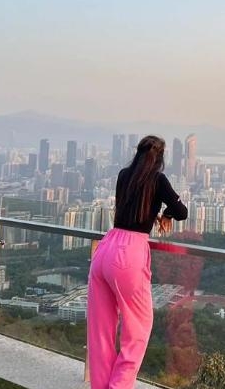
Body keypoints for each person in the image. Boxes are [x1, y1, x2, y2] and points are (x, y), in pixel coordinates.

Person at [87, 135, 188, 389]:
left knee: (101, 330)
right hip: (129, 254)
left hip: (105, 248)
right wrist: (166, 213)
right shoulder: (157, 179)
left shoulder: (123, 175)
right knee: (138, 329)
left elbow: (128, 208)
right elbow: (182, 211)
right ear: (160, 158)